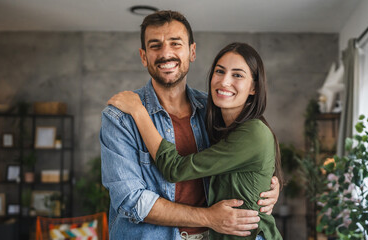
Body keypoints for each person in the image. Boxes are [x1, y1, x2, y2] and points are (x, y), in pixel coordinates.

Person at [100, 10, 280, 240]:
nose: (166, 53)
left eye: (175, 44)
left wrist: (269, 189)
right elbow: (131, 201)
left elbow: (246, 165)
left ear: (191, 51)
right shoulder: (120, 117)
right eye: (155, 46)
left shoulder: (213, 109)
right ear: (144, 56)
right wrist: (208, 217)